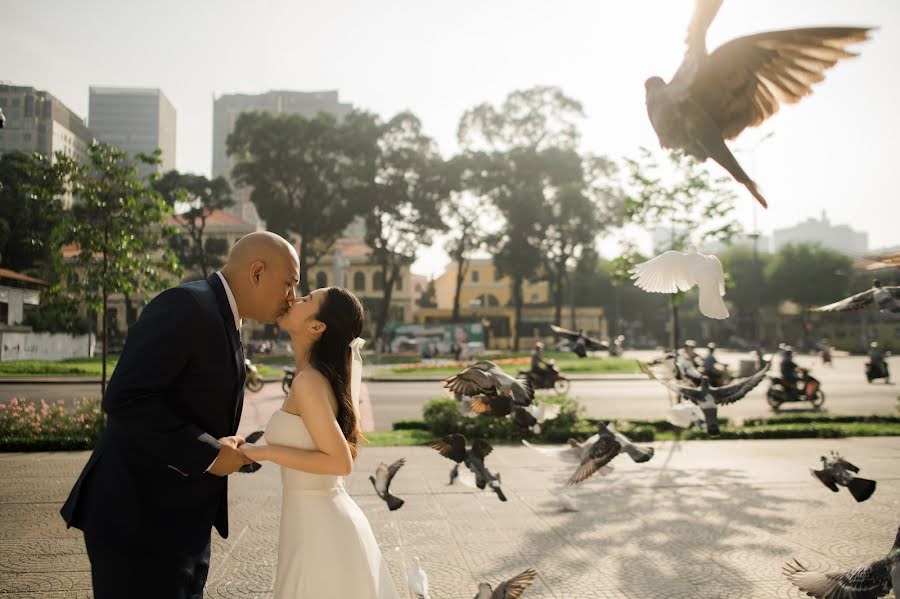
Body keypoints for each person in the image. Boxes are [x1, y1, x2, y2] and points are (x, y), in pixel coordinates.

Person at [60, 232, 300, 599]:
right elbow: (127, 397)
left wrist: (228, 448)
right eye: (288, 284)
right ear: (256, 272)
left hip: (179, 525)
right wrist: (209, 454)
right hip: (137, 525)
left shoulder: (223, 316)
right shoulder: (187, 305)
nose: (292, 299)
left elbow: (192, 406)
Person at [239, 287, 400, 598]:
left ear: (316, 326)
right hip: (311, 519)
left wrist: (267, 452)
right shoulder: (313, 377)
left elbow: (340, 462)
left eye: (306, 299)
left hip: (320, 528)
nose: (293, 299)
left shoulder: (309, 381)